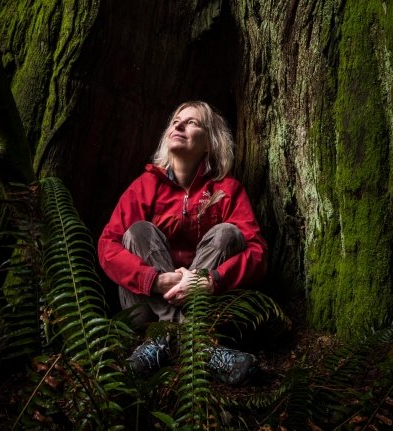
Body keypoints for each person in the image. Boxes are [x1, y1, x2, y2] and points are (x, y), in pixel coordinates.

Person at [98, 101, 267, 384]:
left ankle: (166, 343)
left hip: (207, 305)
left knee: (228, 233)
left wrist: (211, 280)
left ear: (210, 143)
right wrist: (154, 279)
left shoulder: (227, 190)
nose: (178, 125)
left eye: (191, 122)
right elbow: (107, 245)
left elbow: (257, 252)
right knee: (138, 231)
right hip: (144, 306)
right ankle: (202, 347)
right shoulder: (145, 186)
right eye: (176, 120)